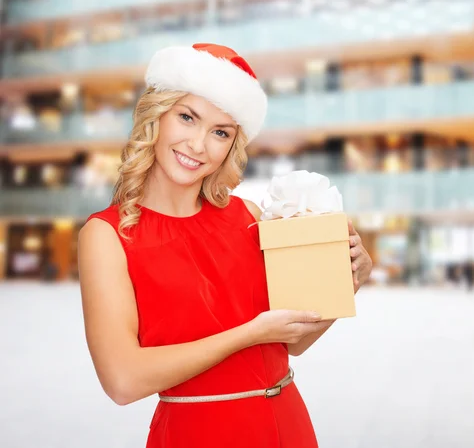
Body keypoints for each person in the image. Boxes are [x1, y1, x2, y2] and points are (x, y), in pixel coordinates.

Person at [77, 43, 373, 448]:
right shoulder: (107, 234)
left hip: (288, 425)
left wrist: (345, 280)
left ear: (232, 146)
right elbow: (123, 381)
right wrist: (248, 334)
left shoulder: (249, 216)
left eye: (220, 132)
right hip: (197, 433)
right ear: (156, 116)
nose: (198, 145)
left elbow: (294, 341)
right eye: (187, 117)